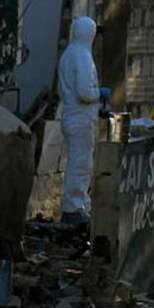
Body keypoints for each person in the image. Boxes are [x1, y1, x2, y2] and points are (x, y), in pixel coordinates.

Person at [57, 16, 111, 226]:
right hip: (80, 118)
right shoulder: (82, 56)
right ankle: (73, 209)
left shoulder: (69, 54)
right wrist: (100, 93)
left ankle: (78, 206)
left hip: (71, 116)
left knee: (78, 162)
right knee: (80, 164)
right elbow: (84, 92)